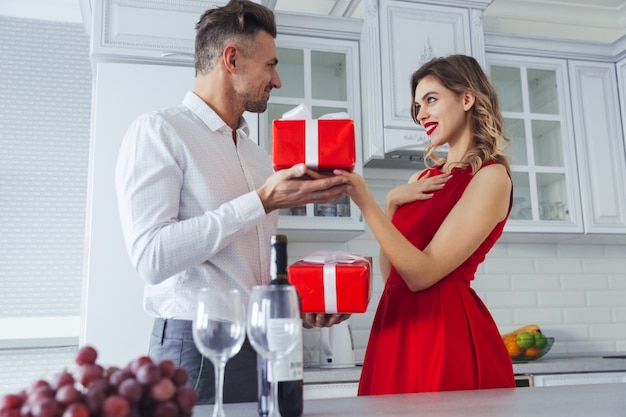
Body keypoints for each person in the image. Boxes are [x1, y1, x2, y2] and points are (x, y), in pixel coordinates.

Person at [115, 0, 349, 405]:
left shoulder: (259, 158)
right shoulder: (160, 132)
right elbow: (151, 258)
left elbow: (245, 275)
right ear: (232, 59)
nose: (276, 81)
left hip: (262, 341)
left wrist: (300, 310)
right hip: (195, 344)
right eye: (270, 64)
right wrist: (259, 201)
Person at [334, 54, 516, 395]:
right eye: (417, 106)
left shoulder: (491, 178)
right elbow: (395, 279)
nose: (421, 114)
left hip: (445, 334)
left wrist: (365, 200)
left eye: (431, 100)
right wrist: (389, 205)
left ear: (466, 98)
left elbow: (422, 275)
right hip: (395, 327)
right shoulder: (421, 178)